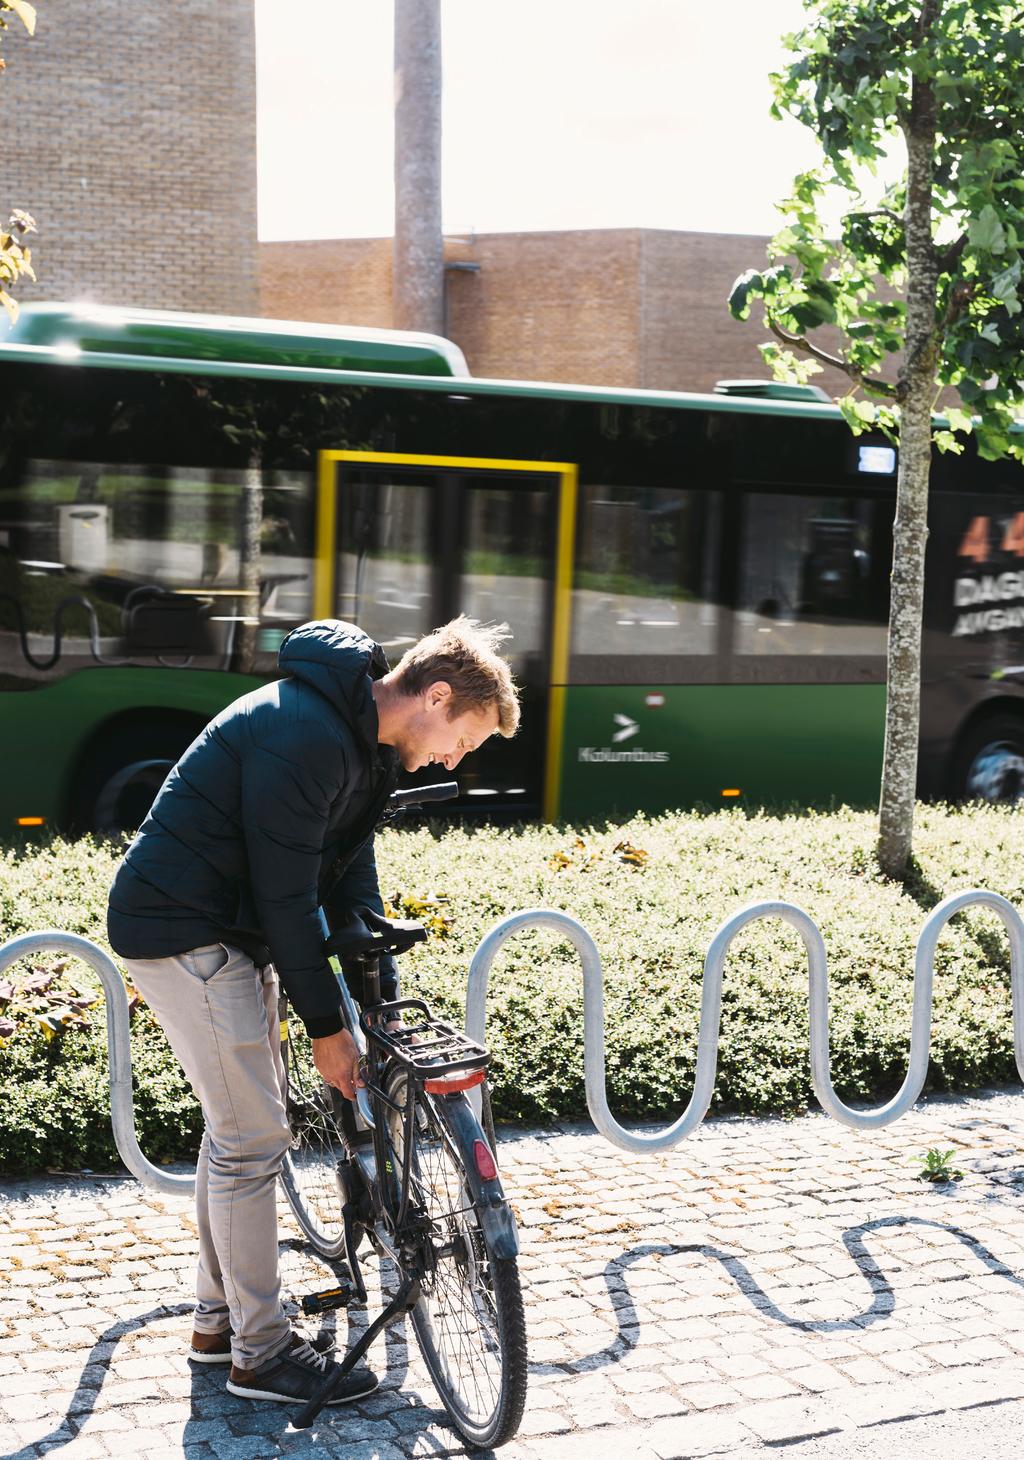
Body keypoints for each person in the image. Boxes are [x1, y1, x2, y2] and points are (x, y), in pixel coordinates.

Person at [107, 616, 520, 1407]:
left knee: (237, 1133)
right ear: (434, 696)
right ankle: (259, 1357)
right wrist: (331, 1033)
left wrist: (375, 987)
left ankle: (216, 1323)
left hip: (227, 934)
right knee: (250, 1139)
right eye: (462, 739)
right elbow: (288, 899)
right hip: (184, 931)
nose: (456, 759)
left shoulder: (362, 742)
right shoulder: (306, 734)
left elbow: (347, 866)